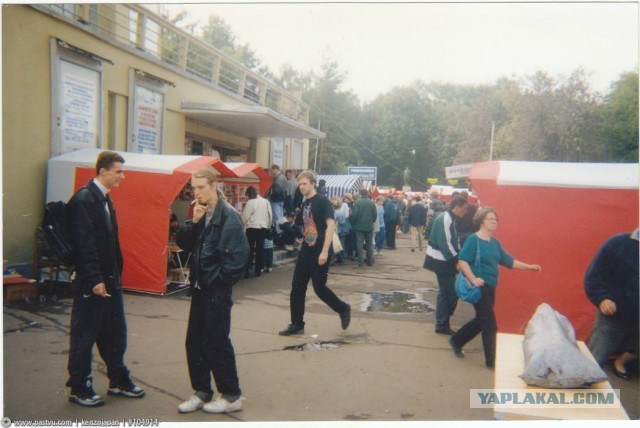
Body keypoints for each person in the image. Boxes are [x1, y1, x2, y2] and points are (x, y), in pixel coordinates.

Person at [66, 151, 145, 407]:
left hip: (109, 278)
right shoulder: (85, 199)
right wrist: (94, 278)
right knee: (85, 334)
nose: (123, 176)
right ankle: (79, 387)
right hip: (94, 281)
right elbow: (84, 244)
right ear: (102, 171)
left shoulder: (104, 199)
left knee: (115, 332)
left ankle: (118, 380)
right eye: (118, 171)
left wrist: (113, 275)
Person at [176, 167, 250, 414]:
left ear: (214, 185)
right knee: (194, 342)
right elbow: (182, 243)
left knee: (216, 342)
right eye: (193, 188)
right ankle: (202, 391)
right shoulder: (201, 212)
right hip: (200, 289)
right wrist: (194, 222)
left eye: (201, 187)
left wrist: (214, 282)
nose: (196, 193)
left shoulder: (228, 216)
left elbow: (236, 263)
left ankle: (231, 395)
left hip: (215, 290)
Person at [448, 207, 541, 369]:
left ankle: (457, 340)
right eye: (490, 219)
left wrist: (528, 267)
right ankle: (492, 362)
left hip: (491, 287)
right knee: (490, 325)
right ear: (481, 221)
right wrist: (474, 279)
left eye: (495, 219)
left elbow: (508, 260)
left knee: (481, 321)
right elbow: (463, 260)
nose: (494, 222)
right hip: (479, 288)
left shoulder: (494, 242)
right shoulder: (473, 240)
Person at [278, 170, 351, 336]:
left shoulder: (322, 201)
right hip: (307, 249)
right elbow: (306, 225)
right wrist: (301, 238)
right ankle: (297, 324)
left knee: (319, 288)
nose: (301, 187)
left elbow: (331, 225)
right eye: (300, 184)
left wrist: (325, 251)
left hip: (321, 249)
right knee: (297, 287)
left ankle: (343, 308)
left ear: (312, 184)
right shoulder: (305, 203)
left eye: (304, 184)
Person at [584, 229, 639, 379]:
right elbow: (593, 276)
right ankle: (579, 392)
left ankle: (621, 361)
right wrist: (602, 299)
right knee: (594, 361)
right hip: (614, 314)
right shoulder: (618, 243)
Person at [424, 196, 469, 334]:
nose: (466, 212)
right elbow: (447, 244)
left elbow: (451, 242)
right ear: (457, 207)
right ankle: (442, 323)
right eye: (465, 209)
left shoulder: (448, 218)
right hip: (441, 261)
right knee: (451, 293)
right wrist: (457, 260)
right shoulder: (446, 219)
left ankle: (442, 323)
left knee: (446, 292)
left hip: (441, 260)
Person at [241, 186, 272, 278]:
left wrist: (242, 226)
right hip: (263, 227)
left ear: (248, 194)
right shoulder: (266, 201)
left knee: (249, 249)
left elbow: (245, 217)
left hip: (251, 228)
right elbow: (270, 214)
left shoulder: (250, 202)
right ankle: (258, 271)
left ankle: (247, 271)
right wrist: (268, 226)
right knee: (260, 249)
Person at [350, 188, 378, 267]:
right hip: (369, 226)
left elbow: (354, 214)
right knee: (369, 244)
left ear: (360, 194)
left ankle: (360, 262)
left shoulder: (358, 203)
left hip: (359, 227)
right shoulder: (372, 203)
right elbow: (375, 215)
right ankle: (370, 262)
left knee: (360, 244)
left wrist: (354, 222)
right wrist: (371, 222)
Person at [331, 196, 350, 265]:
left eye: (334, 202)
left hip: (343, 227)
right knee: (337, 243)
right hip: (337, 227)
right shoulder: (334, 208)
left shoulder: (344, 205)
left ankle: (342, 259)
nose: (333, 204)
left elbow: (346, 216)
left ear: (337, 200)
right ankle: (339, 258)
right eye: (332, 203)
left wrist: (338, 218)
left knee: (342, 243)